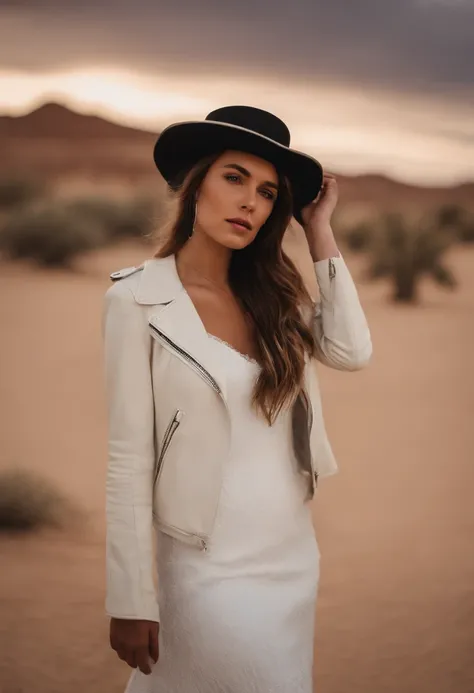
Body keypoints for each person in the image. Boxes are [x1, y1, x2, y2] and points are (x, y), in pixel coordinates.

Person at [102, 105, 372, 693]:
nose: (251, 201)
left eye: (268, 191)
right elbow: (128, 460)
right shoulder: (137, 302)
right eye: (234, 178)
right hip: (203, 564)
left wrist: (319, 228)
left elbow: (351, 350)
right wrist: (129, 597)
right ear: (195, 184)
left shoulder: (274, 299)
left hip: (290, 554)